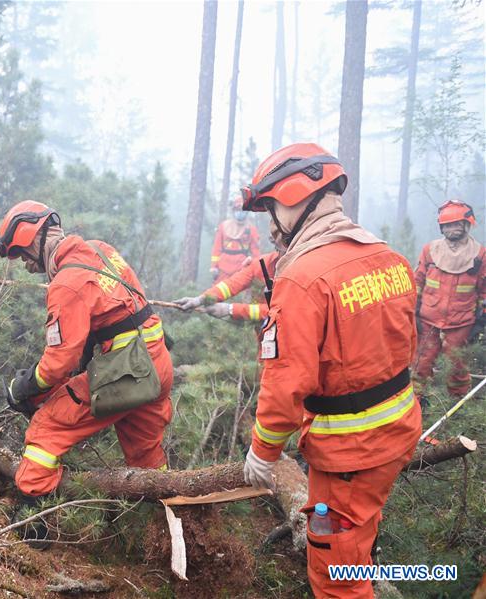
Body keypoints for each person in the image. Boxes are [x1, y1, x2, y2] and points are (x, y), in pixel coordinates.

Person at [239, 143, 421, 598]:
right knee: (359, 534)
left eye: (271, 208)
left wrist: (263, 453)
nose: (272, 224)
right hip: (395, 433)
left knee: (334, 575)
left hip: (349, 456)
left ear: (297, 195)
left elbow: (284, 386)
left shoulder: (302, 278)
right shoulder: (389, 258)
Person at [0, 201, 173, 504]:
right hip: (156, 364)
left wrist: (24, 388)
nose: (26, 264)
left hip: (127, 373)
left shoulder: (66, 284)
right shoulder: (102, 250)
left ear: (36, 240)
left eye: (23, 254)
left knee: (47, 427)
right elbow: (118, 312)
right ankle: (170, 511)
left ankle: (33, 527)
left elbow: (57, 365)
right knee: (147, 457)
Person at [413, 200, 485, 398]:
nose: (452, 229)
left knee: (457, 365)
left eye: (457, 224)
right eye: (447, 225)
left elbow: (484, 292)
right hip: (428, 320)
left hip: (461, 322)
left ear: (467, 225)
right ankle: (417, 403)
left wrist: (481, 321)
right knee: (421, 362)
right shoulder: (430, 250)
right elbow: (417, 282)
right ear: (441, 227)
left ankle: (457, 403)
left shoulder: (480, 255)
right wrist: (412, 311)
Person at [176, 249, 281, 322]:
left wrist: (230, 309)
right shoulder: (262, 263)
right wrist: (200, 299)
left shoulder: (295, 273)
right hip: (266, 338)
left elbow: (280, 312)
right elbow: (231, 285)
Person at [209, 197, 260, 283]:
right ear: (233, 210)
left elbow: (256, 252)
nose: (240, 212)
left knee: (243, 293)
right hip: (223, 269)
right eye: (238, 209)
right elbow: (216, 249)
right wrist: (214, 267)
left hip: (242, 269)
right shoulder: (224, 226)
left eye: (243, 210)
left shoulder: (251, 229)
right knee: (217, 293)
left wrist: (257, 269)